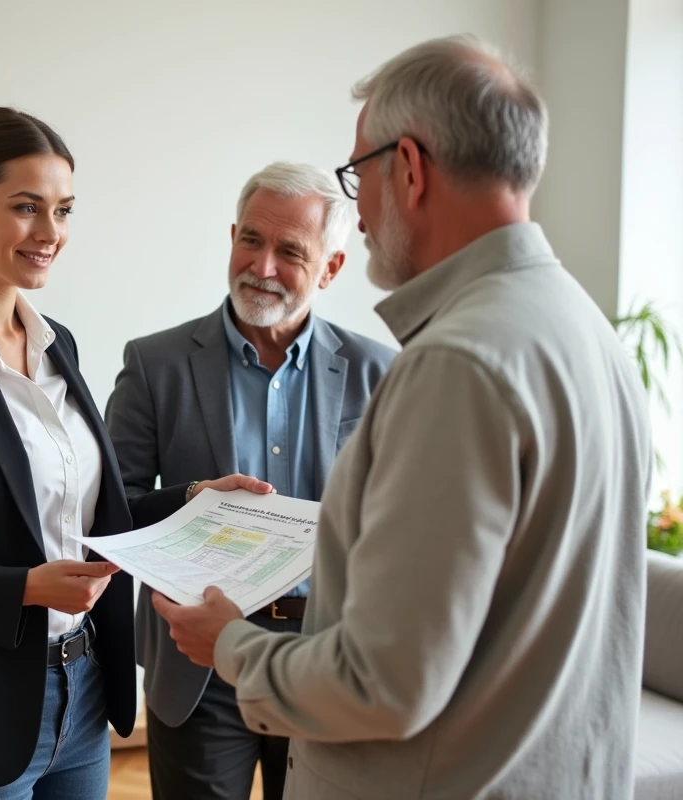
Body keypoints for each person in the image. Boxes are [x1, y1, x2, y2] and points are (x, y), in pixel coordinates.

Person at [152, 34, 653, 799]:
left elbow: (383, 682)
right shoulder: (589, 332)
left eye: (358, 174)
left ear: (409, 169)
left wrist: (231, 646)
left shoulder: (457, 362)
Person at [0, 106, 270, 800]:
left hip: (84, 689)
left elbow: (79, 522)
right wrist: (24, 589)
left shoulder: (58, 342)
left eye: (63, 209)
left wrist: (189, 500)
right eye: (26, 207)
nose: (51, 233)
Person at [104, 161, 395, 800]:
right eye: (251, 241)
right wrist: (186, 502)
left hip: (329, 658)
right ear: (232, 235)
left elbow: (405, 528)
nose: (261, 267)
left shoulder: (384, 373)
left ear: (331, 268)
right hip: (198, 664)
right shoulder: (154, 365)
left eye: (290, 251)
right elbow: (107, 514)